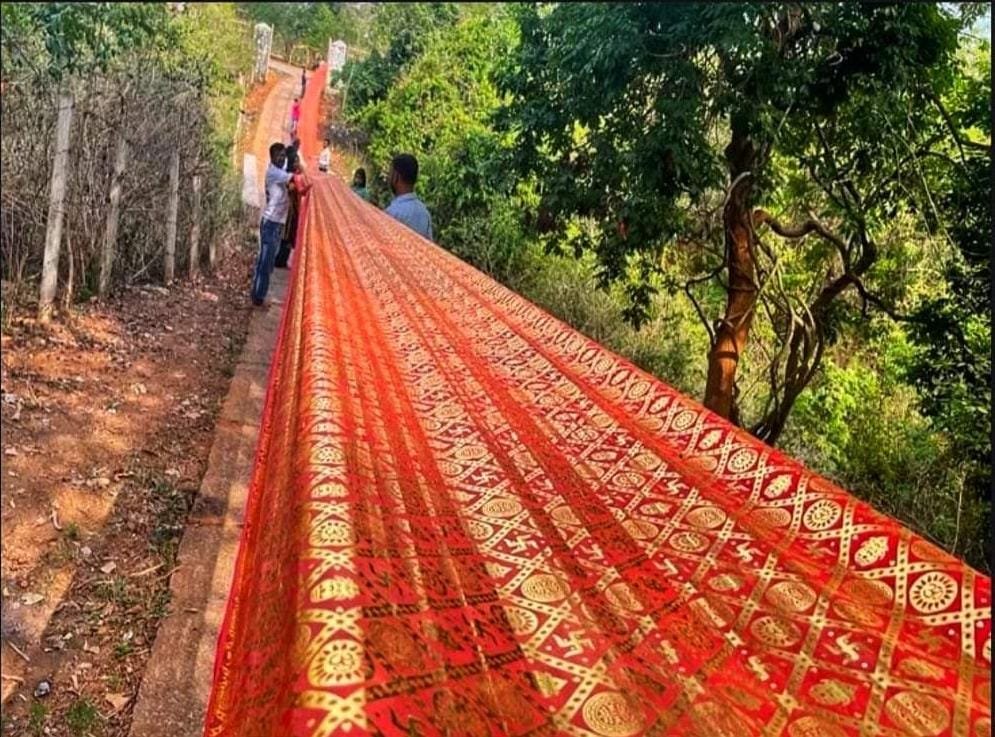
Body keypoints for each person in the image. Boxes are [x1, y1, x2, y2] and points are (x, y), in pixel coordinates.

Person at [252, 142, 299, 305]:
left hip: (276, 223)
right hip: (271, 223)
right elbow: (295, 178)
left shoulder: (279, 172)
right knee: (266, 263)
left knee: (267, 262)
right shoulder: (274, 172)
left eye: (283, 156)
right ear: (272, 157)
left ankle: (258, 294)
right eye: (279, 156)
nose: (282, 159)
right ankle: (259, 297)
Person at [384, 153, 432, 241]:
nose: (388, 178)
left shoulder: (392, 213)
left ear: (396, 176)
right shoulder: (424, 213)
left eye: (390, 174)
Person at [274, 158, 312, 269]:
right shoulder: (292, 176)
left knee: (290, 236)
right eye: (295, 162)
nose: (297, 164)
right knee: (288, 236)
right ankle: (281, 260)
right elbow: (294, 188)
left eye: (297, 162)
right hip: (290, 210)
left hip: (295, 210)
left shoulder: (299, 176)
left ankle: (283, 260)